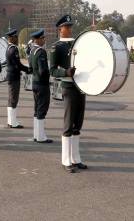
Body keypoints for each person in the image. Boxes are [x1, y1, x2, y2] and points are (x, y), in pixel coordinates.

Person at [50, 15, 87, 173]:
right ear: (60, 29)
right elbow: (52, 70)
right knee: (68, 124)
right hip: (69, 87)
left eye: (70, 26)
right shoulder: (56, 47)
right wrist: (65, 71)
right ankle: (66, 160)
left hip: (80, 87)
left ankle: (76, 158)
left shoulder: (77, 44)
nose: (70, 29)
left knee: (77, 124)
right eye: (67, 27)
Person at [29, 29, 52, 143]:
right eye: (42, 38)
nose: (44, 40)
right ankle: (41, 137)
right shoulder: (41, 52)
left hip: (35, 83)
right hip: (42, 84)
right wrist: (50, 75)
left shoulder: (32, 50)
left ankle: (36, 134)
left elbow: (30, 68)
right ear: (37, 39)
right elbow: (43, 70)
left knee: (37, 109)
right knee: (42, 109)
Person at [4, 29, 29, 129]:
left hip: (11, 75)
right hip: (14, 76)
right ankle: (13, 122)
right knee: (14, 99)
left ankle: (11, 121)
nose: (17, 39)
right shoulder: (14, 49)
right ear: (12, 38)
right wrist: (28, 69)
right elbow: (18, 64)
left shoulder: (8, 47)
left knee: (11, 99)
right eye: (16, 37)